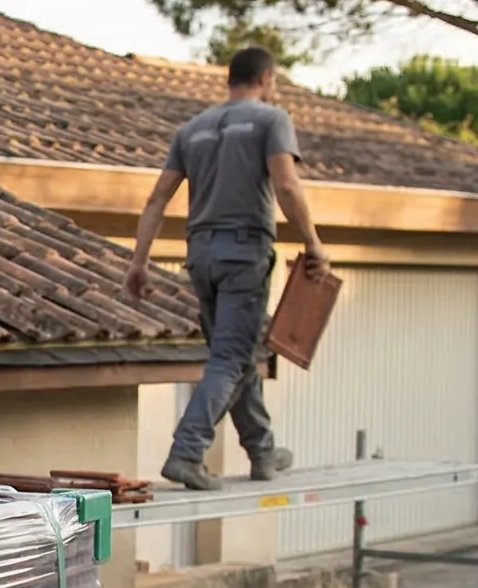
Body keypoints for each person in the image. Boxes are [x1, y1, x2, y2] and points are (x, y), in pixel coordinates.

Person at [122, 46, 333, 491]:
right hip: (244, 253)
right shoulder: (271, 120)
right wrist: (314, 243)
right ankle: (187, 452)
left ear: (230, 78)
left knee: (237, 355)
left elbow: (157, 198)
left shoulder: (192, 130)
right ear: (267, 78)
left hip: (201, 256)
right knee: (232, 357)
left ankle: (262, 451)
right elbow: (287, 186)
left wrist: (139, 262)